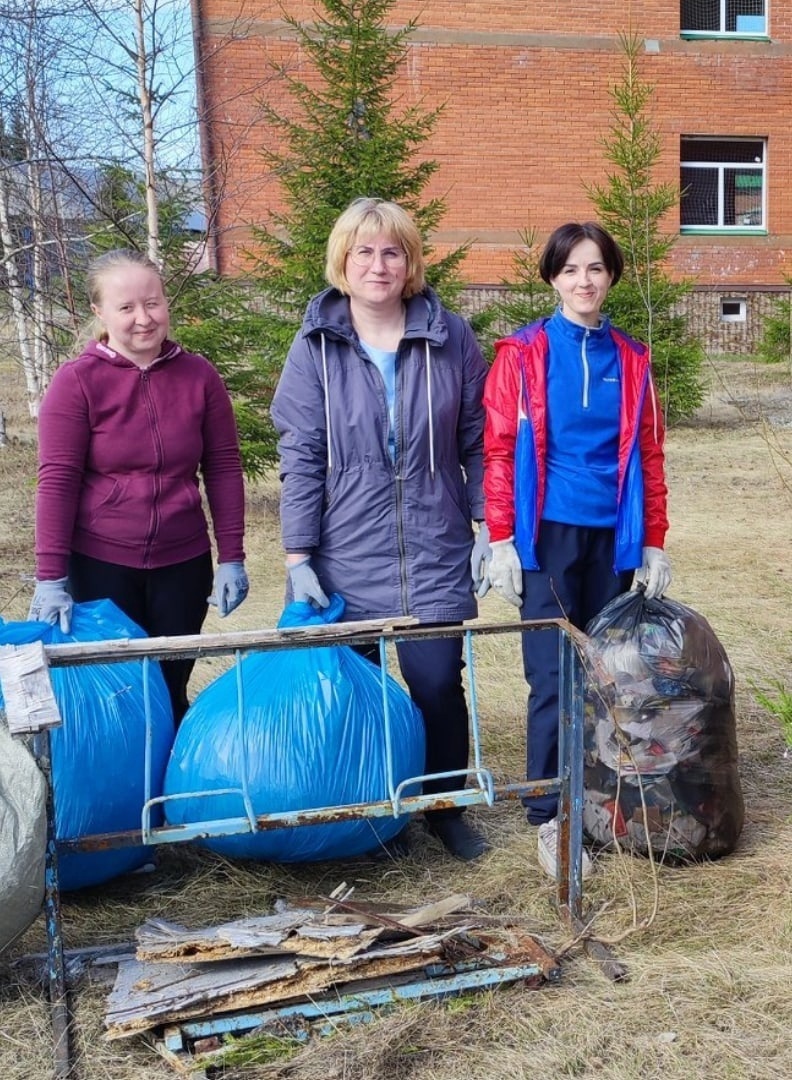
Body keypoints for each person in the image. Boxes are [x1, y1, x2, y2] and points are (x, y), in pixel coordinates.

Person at [270, 197, 492, 861]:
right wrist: (297, 553)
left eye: (391, 251)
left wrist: (488, 523)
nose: (378, 264)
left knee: (434, 685)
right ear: (343, 261)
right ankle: (365, 817)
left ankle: (444, 807)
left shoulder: (450, 336)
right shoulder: (315, 347)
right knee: (356, 691)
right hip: (349, 546)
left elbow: (481, 438)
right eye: (364, 251)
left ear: (410, 261)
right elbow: (301, 451)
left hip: (436, 541)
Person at [482, 221, 671, 878]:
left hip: (612, 539)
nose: (583, 281)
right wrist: (501, 537)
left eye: (595, 268)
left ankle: (600, 803)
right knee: (551, 677)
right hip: (550, 536)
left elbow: (649, 454)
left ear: (611, 275)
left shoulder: (633, 358)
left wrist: (652, 540)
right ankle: (547, 818)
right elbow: (501, 449)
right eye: (570, 270)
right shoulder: (525, 353)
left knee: (609, 676)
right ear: (552, 278)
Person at [28, 249, 248, 724]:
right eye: (126, 307)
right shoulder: (77, 383)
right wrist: (50, 578)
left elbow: (224, 467)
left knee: (171, 689)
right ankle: (119, 796)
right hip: (100, 564)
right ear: (99, 313)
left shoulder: (200, 377)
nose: (143, 319)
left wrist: (232, 556)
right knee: (116, 698)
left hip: (183, 565)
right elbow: (58, 481)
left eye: (153, 303)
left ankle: (170, 797)